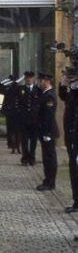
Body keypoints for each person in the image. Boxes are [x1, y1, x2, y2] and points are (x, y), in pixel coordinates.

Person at [36, 72, 59, 191]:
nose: (39, 83)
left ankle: (50, 182)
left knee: (50, 157)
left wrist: (47, 133)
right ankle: (47, 179)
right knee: (46, 157)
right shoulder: (44, 94)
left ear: (46, 81)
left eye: (40, 81)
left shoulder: (49, 95)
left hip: (48, 131)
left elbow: (49, 116)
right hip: (44, 130)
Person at [60, 76, 78, 212]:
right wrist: (63, 84)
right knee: (73, 168)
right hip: (71, 134)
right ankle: (76, 200)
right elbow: (64, 97)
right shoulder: (72, 92)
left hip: (75, 133)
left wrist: (73, 88)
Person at [18, 71, 41, 166]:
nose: (28, 79)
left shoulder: (37, 89)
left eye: (30, 78)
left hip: (34, 120)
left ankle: (32, 157)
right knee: (24, 140)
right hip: (24, 119)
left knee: (33, 140)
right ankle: (24, 157)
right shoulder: (20, 89)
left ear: (33, 79)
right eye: (27, 78)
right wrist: (18, 80)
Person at [1, 75, 21, 154]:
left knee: (13, 131)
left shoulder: (12, 88)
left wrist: (6, 80)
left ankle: (14, 147)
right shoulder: (9, 88)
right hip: (12, 113)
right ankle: (16, 147)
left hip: (15, 113)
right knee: (15, 131)